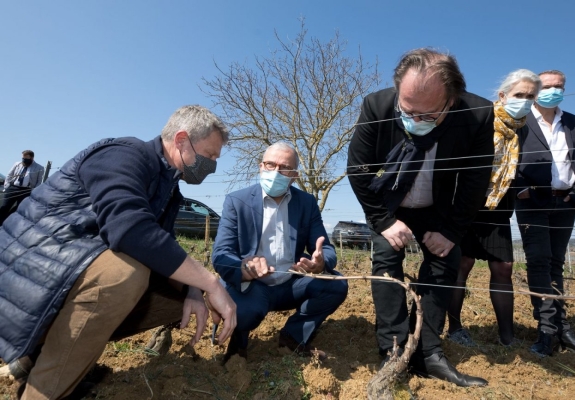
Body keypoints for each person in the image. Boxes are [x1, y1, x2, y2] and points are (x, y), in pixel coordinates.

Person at [0, 105, 238, 399]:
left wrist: (192, 289)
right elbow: (129, 230)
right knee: (125, 274)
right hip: (29, 268)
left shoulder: (169, 190)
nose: (212, 164)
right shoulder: (124, 155)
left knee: (179, 293)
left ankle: (46, 356)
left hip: (66, 272)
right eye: (210, 155)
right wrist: (210, 282)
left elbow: (160, 247)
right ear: (181, 140)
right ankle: (44, 390)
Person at [347, 48, 494, 387]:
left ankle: (429, 353)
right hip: (392, 204)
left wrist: (452, 230)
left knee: (446, 262)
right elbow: (358, 169)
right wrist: (384, 221)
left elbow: (475, 181)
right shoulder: (377, 106)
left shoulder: (479, 114)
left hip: (439, 206)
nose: (413, 119)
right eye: (407, 109)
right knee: (386, 261)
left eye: (427, 115)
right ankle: (394, 351)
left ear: (451, 101)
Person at [212, 142, 348, 363]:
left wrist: (321, 263)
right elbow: (220, 254)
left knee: (336, 285)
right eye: (270, 164)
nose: (276, 172)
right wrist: (244, 268)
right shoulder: (237, 201)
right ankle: (238, 346)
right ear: (260, 166)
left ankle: (293, 336)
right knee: (244, 312)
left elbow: (326, 249)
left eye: (284, 168)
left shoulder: (306, 203)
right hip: (253, 286)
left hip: (291, 282)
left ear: (294, 175)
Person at [447, 69, 542, 347]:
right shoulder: (479, 118)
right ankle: (454, 328)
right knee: (461, 264)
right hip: (465, 203)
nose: (524, 100)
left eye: (529, 96)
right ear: (503, 95)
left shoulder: (523, 129)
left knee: (503, 268)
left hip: (500, 207)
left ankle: (507, 337)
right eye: (518, 94)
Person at [515, 70, 575, 357]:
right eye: (548, 86)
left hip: (565, 203)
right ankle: (548, 331)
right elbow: (506, 157)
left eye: (559, 86)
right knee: (539, 262)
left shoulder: (574, 122)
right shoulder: (521, 120)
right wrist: (519, 189)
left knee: (555, 263)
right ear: (537, 89)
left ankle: (561, 328)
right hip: (533, 201)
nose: (554, 91)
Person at [0, 150, 45, 225]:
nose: (24, 160)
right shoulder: (17, 164)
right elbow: (9, 175)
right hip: (13, 188)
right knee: (4, 207)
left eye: (26, 158)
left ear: (32, 158)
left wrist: (34, 192)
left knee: (18, 209)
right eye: (23, 158)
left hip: (26, 191)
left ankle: (7, 223)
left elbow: (39, 181)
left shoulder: (39, 168)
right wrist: (7, 186)